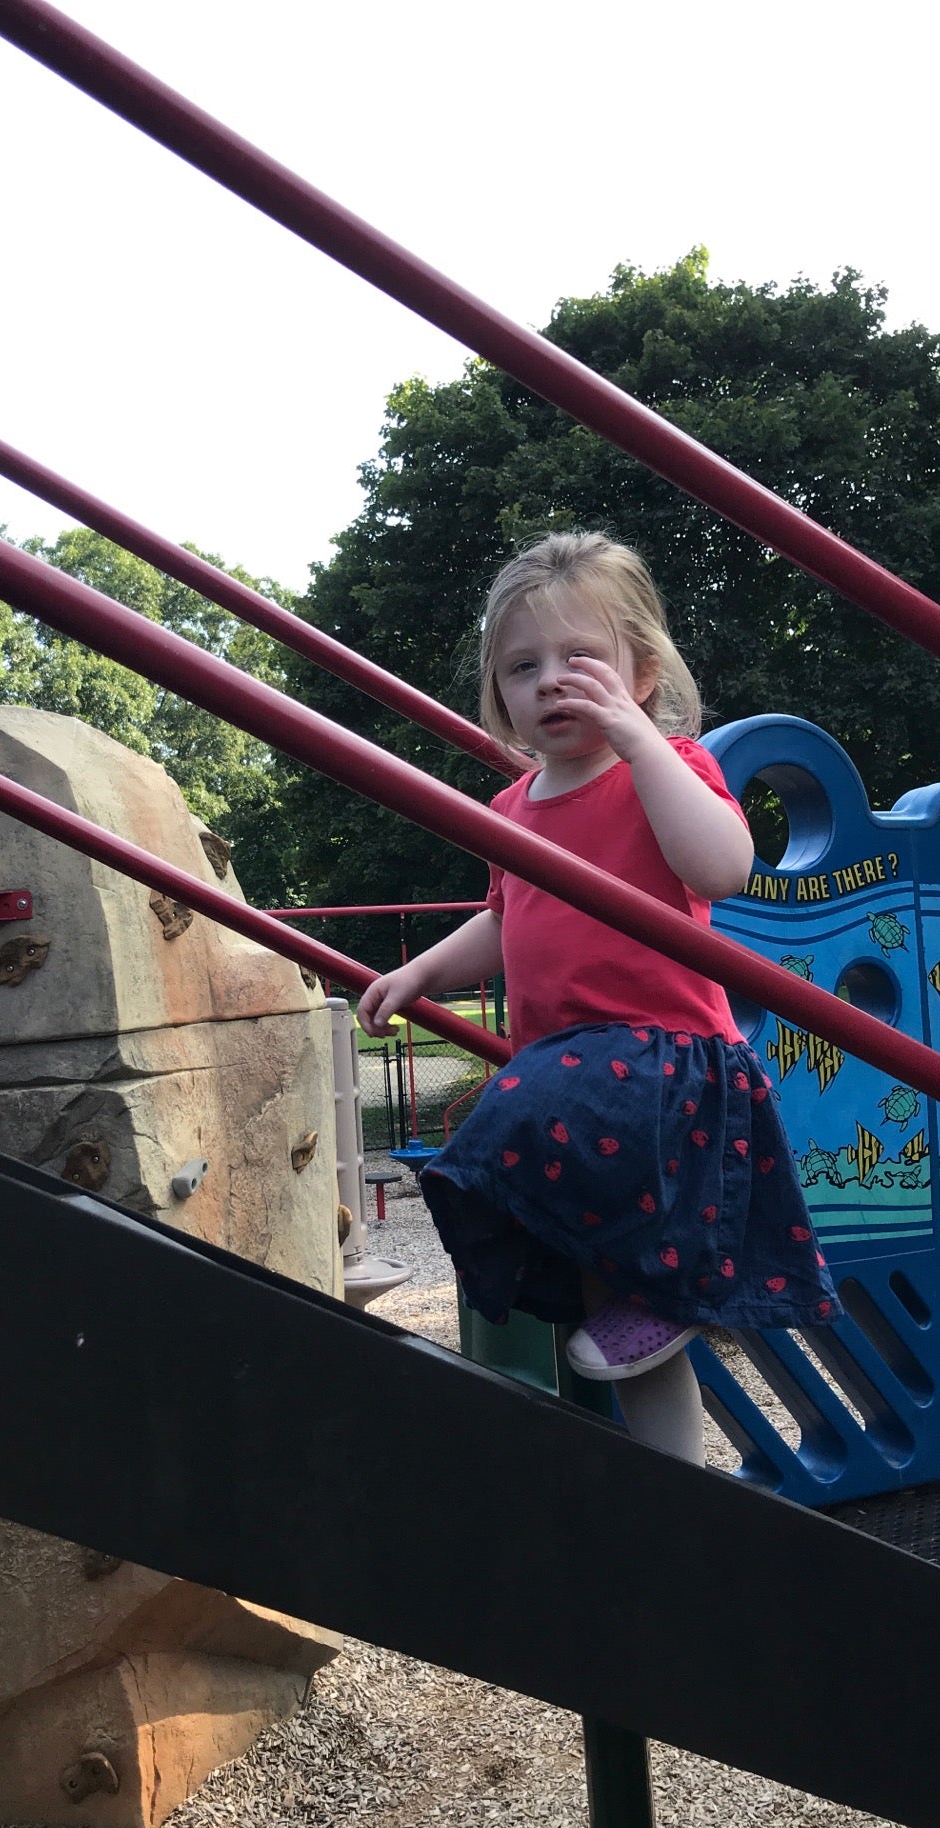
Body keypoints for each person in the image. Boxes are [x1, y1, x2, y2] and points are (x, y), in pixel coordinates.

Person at [357, 532, 837, 1466]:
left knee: (503, 1132)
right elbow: (506, 921)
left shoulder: (668, 769)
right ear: (499, 694)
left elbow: (722, 868)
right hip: (576, 1083)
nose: (550, 683)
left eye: (580, 661)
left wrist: (640, 743)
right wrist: (421, 973)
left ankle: (666, 1300)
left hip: (661, 1066)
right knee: (611, 1316)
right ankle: (674, 1483)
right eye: (522, 667)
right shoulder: (509, 809)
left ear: (642, 673)